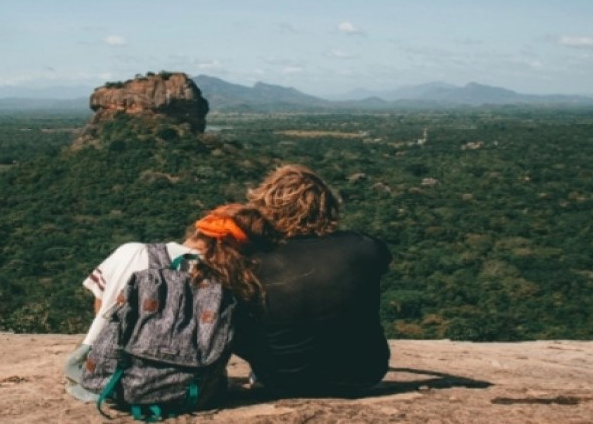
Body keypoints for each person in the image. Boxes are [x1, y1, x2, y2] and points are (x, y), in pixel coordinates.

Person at [64, 203, 276, 402]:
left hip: (109, 382)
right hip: (193, 390)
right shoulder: (233, 281)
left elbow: (101, 308)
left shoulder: (132, 252)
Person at [235, 164, 392, 396]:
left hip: (280, 377)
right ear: (327, 205)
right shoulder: (366, 248)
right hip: (363, 373)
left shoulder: (253, 259)